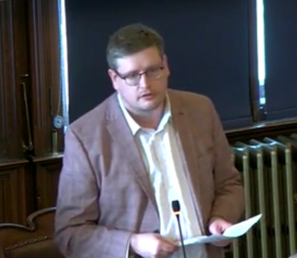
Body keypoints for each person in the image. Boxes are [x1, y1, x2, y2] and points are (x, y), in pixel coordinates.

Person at [54, 23, 245, 258]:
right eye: (132, 76)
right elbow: (70, 234)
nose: (145, 84)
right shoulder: (85, 137)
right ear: (114, 78)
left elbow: (229, 184)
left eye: (153, 70)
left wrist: (221, 217)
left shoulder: (200, 110)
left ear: (166, 66)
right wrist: (132, 243)